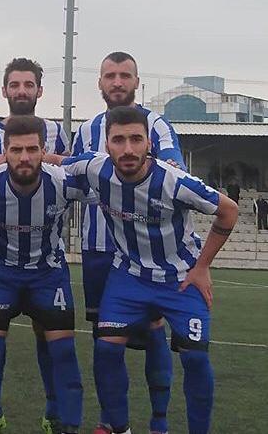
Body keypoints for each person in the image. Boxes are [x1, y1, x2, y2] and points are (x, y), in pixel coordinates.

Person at [62, 106, 238, 434]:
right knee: (106, 348)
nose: (128, 149)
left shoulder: (175, 181)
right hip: (129, 276)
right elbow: (52, 161)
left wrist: (202, 267)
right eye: (118, 140)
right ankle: (120, 428)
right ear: (107, 144)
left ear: (149, 144)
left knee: (195, 358)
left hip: (180, 280)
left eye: (136, 139)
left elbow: (228, 210)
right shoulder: (95, 167)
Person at [71, 52, 184, 434]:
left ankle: (159, 423)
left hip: (145, 252)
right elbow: (71, 176)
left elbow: (174, 171)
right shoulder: (87, 129)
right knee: (105, 340)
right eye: (110, 75)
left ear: (137, 82)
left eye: (124, 75)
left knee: (153, 330)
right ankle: (112, 421)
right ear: (100, 83)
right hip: (98, 248)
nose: (117, 82)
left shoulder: (156, 124)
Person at [0, 57, 70, 434]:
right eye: (15, 84)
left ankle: (54, 412)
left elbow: (71, 169)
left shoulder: (55, 130)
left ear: (39, 90)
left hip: (46, 257)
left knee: (50, 336)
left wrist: (25, 157)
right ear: (4, 90)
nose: (22, 91)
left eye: (29, 85)